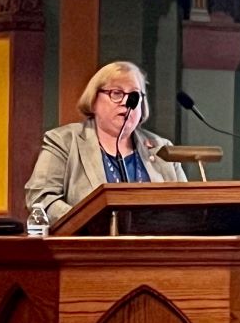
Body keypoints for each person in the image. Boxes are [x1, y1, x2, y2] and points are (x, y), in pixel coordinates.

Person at [24, 61, 187, 220]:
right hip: (88, 243)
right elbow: (41, 198)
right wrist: (87, 222)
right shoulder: (64, 142)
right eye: (116, 93)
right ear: (94, 100)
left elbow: (187, 206)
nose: (125, 102)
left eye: (134, 95)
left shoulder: (162, 148)